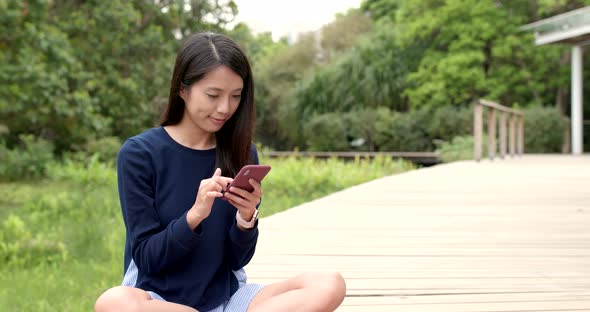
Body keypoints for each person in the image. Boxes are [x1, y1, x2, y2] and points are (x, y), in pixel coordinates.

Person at [94, 32, 346, 312]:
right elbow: (147, 259)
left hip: (227, 299)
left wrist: (246, 220)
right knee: (114, 302)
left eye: (236, 96)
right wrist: (194, 217)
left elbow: (237, 260)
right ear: (182, 89)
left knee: (328, 283)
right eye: (213, 95)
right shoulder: (140, 154)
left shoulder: (242, 153)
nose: (225, 108)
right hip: (160, 300)